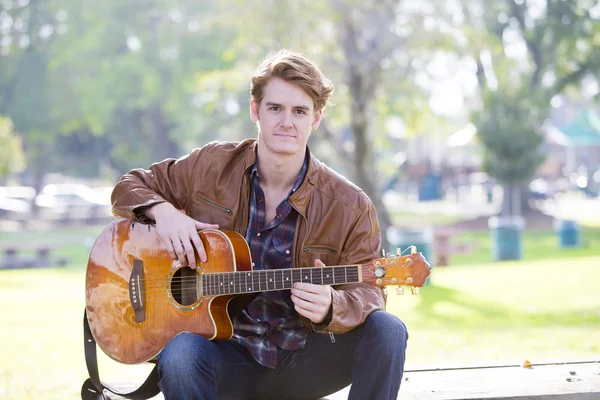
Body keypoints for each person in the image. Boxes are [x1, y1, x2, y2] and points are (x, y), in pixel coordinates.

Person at [111, 49, 408, 400]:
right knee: (180, 354)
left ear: (316, 118)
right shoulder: (211, 166)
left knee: (388, 331)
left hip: (305, 361)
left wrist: (333, 306)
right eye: (275, 108)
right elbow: (127, 188)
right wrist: (166, 214)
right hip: (224, 355)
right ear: (255, 110)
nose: (287, 122)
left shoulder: (351, 206)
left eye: (300, 111)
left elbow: (370, 291)